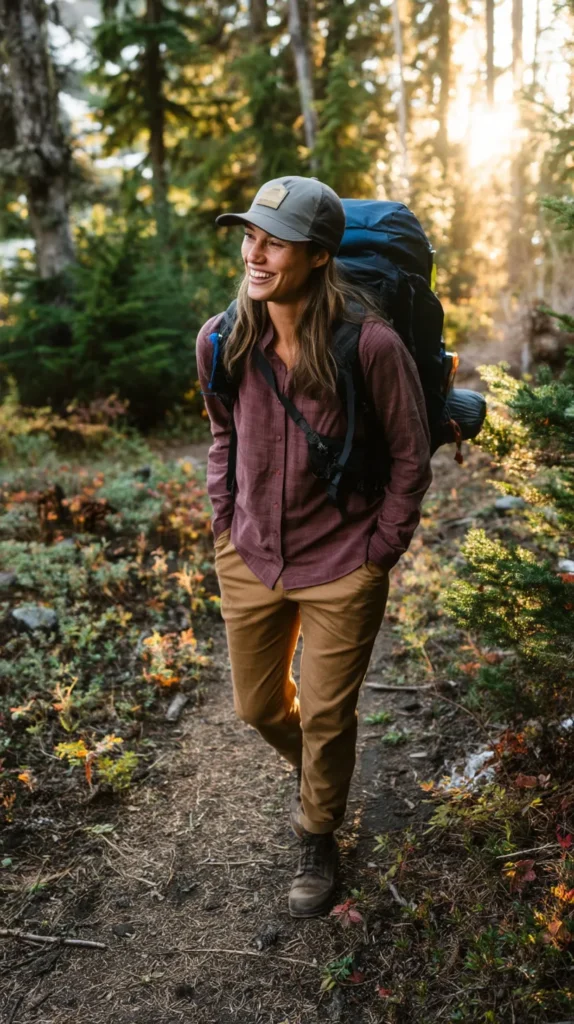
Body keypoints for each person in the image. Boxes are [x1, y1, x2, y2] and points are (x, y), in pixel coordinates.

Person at [196, 175, 432, 918]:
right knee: (257, 706)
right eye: (250, 236)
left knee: (329, 714)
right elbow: (222, 434)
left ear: (320, 257)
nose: (255, 254)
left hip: (342, 563)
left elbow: (409, 458)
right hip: (251, 555)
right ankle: (320, 776)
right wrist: (223, 519)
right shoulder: (221, 336)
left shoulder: (372, 343)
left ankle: (317, 831)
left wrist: (378, 556)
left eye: (275, 242)